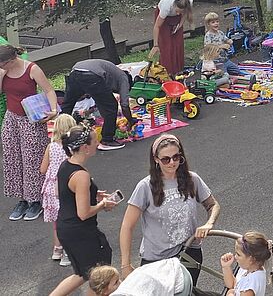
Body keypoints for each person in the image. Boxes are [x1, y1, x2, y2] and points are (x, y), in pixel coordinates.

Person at [119, 134, 221, 284]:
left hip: (188, 253)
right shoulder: (145, 186)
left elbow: (213, 205)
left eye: (176, 157)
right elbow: (127, 226)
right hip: (157, 260)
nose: (172, 163)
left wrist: (209, 223)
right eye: (166, 159)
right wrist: (125, 265)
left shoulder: (192, 179)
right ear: (156, 159)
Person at [48, 125, 118, 296]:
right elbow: (83, 213)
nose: (98, 143)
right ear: (85, 148)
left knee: (82, 274)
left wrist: (92, 193)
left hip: (66, 229)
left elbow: (62, 192)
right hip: (80, 232)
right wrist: (103, 204)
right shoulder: (81, 175)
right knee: (100, 273)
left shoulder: (66, 165)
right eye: (95, 141)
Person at [0, 44, 58, 221]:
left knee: (32, 159)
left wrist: (53, 110)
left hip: (31, 119)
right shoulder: (3, 72)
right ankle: (23, 198)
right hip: (12, 118)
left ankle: (36, 200)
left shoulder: (32, 69)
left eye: (1, 63)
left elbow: (48, 90)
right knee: (12, 158)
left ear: (10, 61)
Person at [61, 58, 137, 151]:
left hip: (75, 71)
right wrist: (130, 120)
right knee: (112, 106)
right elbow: (124, 105)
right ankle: (107, 140)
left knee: (67, 105)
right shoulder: (124, 78)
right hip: (91, 75)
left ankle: (61, 135)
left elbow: (100, 100)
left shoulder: (113, 72)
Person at [41, 113, 77, 267]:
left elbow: (42, 169)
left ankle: (57, 250)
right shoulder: (71, 148)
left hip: (50, 189)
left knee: (57, 221)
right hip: (65, 187)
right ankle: (68, 253)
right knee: (69, 219)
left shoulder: (51, 147)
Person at [89, 259, 193, 296]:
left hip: (177, 280)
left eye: (118, 280)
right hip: (172, 271)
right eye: (116, 282)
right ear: (104, 291)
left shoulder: (125, 291)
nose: (121, 282)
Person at [149, 0, 194, 77]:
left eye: (180, 12)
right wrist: (155, 45)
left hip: (177, 19)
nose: (178, 13)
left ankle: (178, 71)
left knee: (178, 43)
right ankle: (167, 72)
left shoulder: (189, 2)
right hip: (165, 19)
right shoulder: (166, 7)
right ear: (174, 6)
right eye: (177, 11)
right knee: (167, 45)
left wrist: (179, 26)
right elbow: (157, 26)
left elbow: (184, 14)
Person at [220, 231, 273, 296]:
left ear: (251, 259)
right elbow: (232, 285)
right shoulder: (249, 268)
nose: (235, 257)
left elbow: (233, 289)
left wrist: (230, 294)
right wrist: (226, 267)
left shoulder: (249, 287)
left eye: (238, 254)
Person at [203, 12, 250, 79]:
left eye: (217, 21)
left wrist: (229, 41)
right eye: (213, 22)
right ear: (208, 24)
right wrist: (221, 46)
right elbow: (208, 48)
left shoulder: (220, 33)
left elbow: (226, 39)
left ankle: (244, 75)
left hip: (225, 59)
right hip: (216, 62)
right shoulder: (208, 35)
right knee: (223, 76)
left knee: (237, 70)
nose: (216, 23)